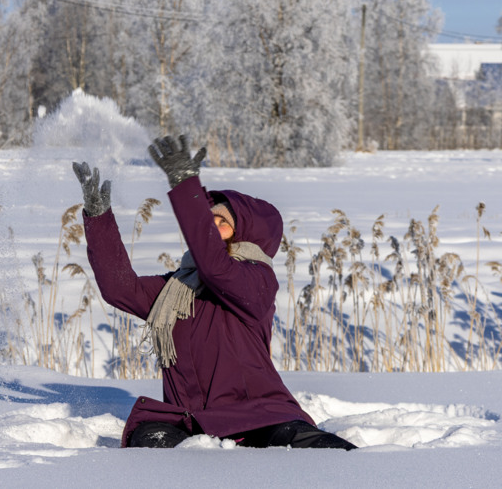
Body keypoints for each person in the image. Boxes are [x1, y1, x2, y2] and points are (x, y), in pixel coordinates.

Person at [72, 134, 356, 450]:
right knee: (149, 446)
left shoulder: (256, 279)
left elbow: (216, 268)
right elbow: (120, 289)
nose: (210, 225)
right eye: (209, 219)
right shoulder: (178, 289)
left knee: (317, 449)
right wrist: (98, 217)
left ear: (248, 232)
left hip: (261, 417)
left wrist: (185, 186)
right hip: (189, 420)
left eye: (221, 221)